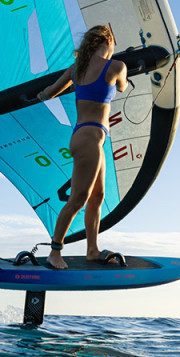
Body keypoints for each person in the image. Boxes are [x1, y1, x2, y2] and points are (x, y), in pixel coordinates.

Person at [36, 25, 129, 270]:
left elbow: (49, 92)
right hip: (90, 139)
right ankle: (55, 252)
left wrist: (40, 94)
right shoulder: (117, 67)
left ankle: (92, 250)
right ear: (108, 41)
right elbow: (122, 86)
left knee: (98, 196)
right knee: (78, 199)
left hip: (85, 136)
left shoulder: (76, 69)